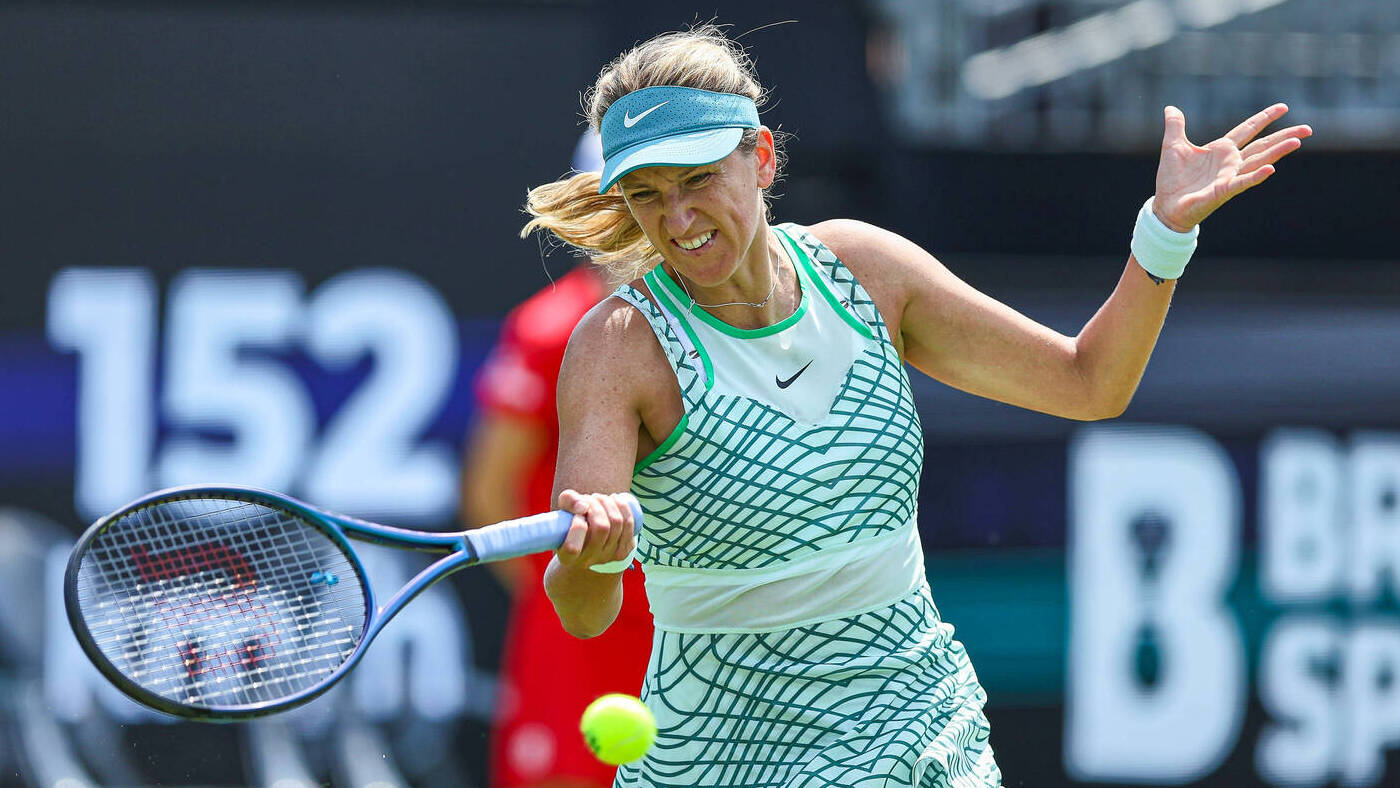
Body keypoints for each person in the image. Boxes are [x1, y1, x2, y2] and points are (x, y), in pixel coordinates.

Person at [521, 25, 1310, 788]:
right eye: (647, 196)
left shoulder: (865, 270)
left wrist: (1164, 232)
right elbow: (585, 612)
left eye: (698, 180)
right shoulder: (617, 347)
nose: (678, 219)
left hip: (914, 725)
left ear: (759, 157)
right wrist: (594, 559)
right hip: (721, 750)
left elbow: (1089, 382)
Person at [460, 131, 654, 788]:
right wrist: (571, 591)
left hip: (696, 625)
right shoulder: (550, 329)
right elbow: (490, 491)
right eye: (620, 199)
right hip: (578, 638)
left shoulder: (720, 327)